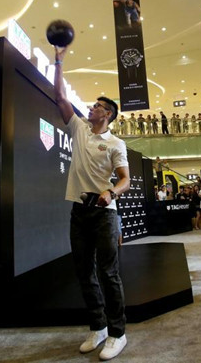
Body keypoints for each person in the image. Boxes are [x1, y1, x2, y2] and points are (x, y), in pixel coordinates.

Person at [53, 46, 130, 360]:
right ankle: (97, 328)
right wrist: (58, 60)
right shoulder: (80, 129)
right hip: (78, 212)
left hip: (104, 215)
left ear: (107, 114)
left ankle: (117, 333)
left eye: (97, 106)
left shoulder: (115, 143)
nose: (91, 108)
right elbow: (59, 97)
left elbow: (124, 178)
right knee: (84, 273)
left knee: (108, 273)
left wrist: (112, 192)